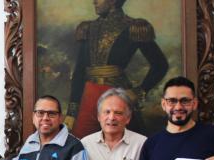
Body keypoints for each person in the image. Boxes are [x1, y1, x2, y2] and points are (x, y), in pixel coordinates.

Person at [66, 0, 168, 138]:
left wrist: (139, 91)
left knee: (130, 141)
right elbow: (79, 72)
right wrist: (71, 114)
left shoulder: (134, 27)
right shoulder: (88, 28)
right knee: (81, 144)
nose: (94, 1)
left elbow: (160, 65)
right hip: (88, 95)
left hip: (117, 93)